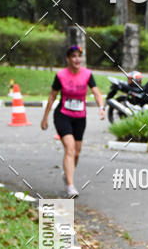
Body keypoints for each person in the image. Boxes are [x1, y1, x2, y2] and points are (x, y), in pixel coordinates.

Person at [41, 45, 105, 197]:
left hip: (80, 117)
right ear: (68, 59)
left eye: (79, 56)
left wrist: (101, 107)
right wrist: (45, 118)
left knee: (76, 152)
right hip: (63, 115)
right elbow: (52, 96)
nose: (77, 59)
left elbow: (96, 93)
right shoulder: (61, 75)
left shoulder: (87, 74)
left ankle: (67, 174)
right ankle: (70, 186)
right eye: (74, 56)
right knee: (69, 149)